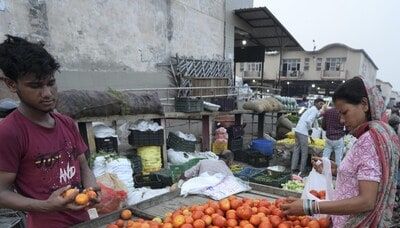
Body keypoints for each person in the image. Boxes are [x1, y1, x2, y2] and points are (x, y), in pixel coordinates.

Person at [0, 35, 99, 227]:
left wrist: (91, 188)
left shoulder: (67, 123)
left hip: (83, 221)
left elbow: (84, 167)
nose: (47, 93)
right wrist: (46, 206)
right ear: (12, 84)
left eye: (51, 83)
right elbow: (1, 193)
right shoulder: (10, 133)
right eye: (35, 86)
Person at [281, 77, 400, 227]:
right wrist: (336, 169)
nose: (342, 120)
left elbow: (366, 201)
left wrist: (309, 206)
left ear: (364, 104)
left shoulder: (369, 140)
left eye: (345, 112)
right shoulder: (380, 132)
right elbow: (367, 176)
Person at [291, 98, 325, 175]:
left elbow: (315, 118)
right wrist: (310, 129)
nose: (321, 106)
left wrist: (317, 127)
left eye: (322, 104)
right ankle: (302, 170)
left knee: (296, 150)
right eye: (320, 104)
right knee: (304, 152)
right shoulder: (314, 110)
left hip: (297, 130)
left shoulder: (312, 109)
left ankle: (293, 168)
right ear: (315, 103)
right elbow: (309, 121)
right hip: (303, 132)